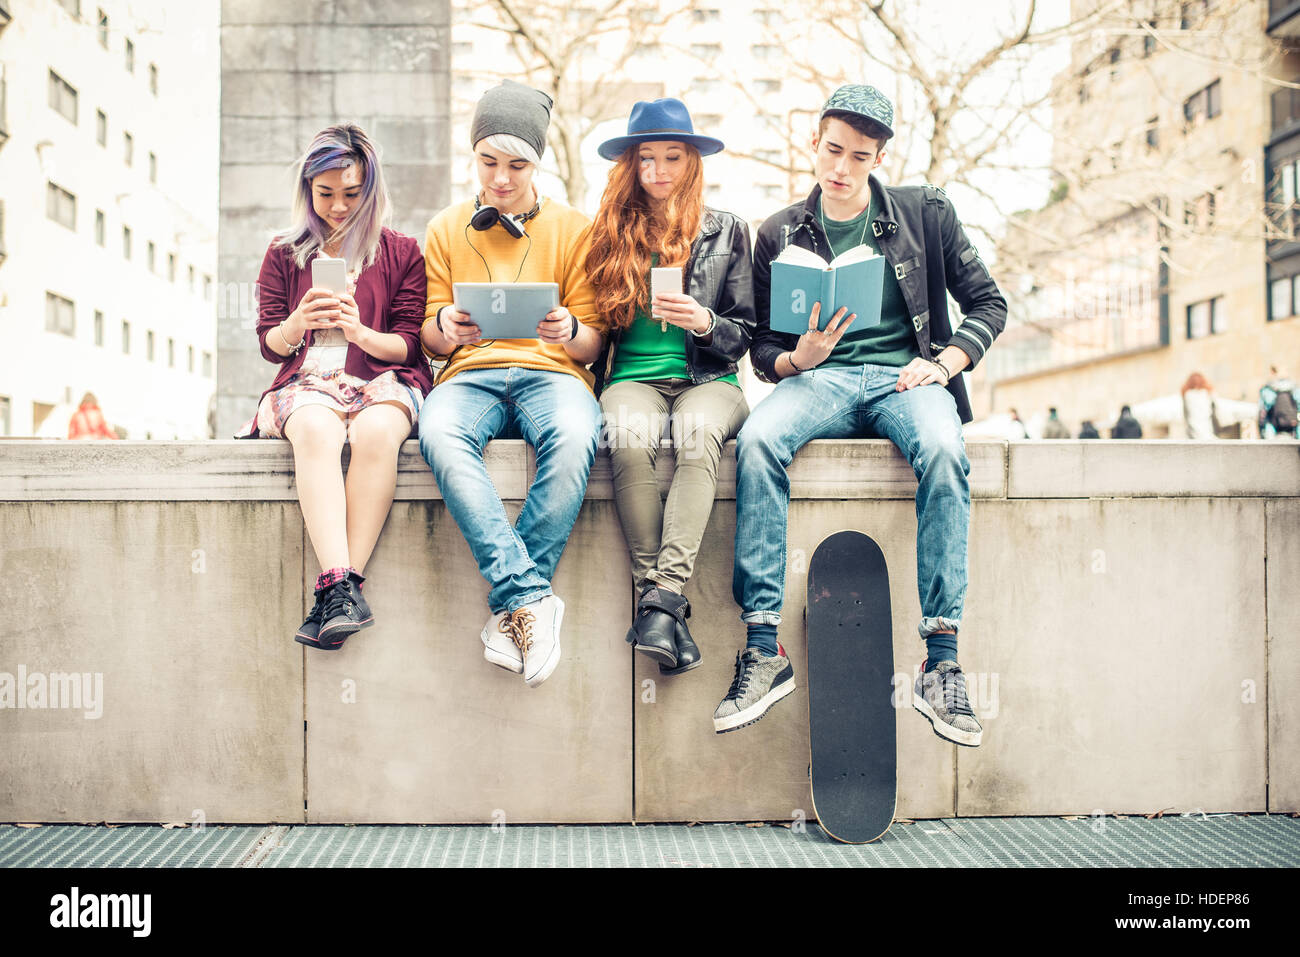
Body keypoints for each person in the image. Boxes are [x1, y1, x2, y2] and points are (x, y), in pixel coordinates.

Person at [718, 84, 1006, 746]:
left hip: (907, 378)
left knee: (943, 450)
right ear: (813, 143)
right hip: (821, 379)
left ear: (879, 157)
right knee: (758, 440)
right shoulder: (779, 231)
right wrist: (798, 357)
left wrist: (946, 362)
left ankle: (941, 661)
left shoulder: (925, 212)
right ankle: (765, 647)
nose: (842, 168)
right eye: (832, 150)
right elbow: (761, 348)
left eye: (859, 155)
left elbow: (988, 301)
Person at [418, 81, 606, 688]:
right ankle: (529, 597)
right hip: (468, 374)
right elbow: (427, 335)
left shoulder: (574, 229)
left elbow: (595, 343)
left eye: (517, 165)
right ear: (472, 157)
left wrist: (567, 327)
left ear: (538, 163)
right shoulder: (447, 228)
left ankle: (512, 608)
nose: (501, 179)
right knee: (439, 434)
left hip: (552, 372)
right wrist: (447, 327)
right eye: (488, 162)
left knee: (578, 435)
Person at [239, 124, 432, 651]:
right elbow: (270, 345)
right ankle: (341, 588)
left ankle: (336, 592)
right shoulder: (283, 252)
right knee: (317, 432)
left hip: (381, 379)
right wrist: (298, 322)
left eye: (352, 193)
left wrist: (360, 332)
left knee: (376, 434)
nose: (339, 207)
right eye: (325, 194)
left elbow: (412, 345)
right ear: (307, 190)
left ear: (372, 189)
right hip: (306, 382)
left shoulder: (400, 251)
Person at [586, 98, 753, 676]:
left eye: (671, 157)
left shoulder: (727, 229)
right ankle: (665, 611)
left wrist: (702, 321)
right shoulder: (606, 233)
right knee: (628, 435)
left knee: (697, 431)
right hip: (631, 379)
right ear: (631, 164)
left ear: (692, 162)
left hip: (709, 378)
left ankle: (658, 598)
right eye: (647, 158)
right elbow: (593, 331)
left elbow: (745, 335)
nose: (658, 169)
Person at [1259, 366, 1299, 439]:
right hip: (1292, 424)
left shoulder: (1268, 389)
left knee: (1270, 446)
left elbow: (1264, 410)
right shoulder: (1294, 388)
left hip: (1273, 424)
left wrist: (1261, 428)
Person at [1181, 372, 1218, 439]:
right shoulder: (1207, 394)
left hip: (1193, 431)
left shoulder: (1187, 395)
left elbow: (1186, 415)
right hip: (1208, 429)